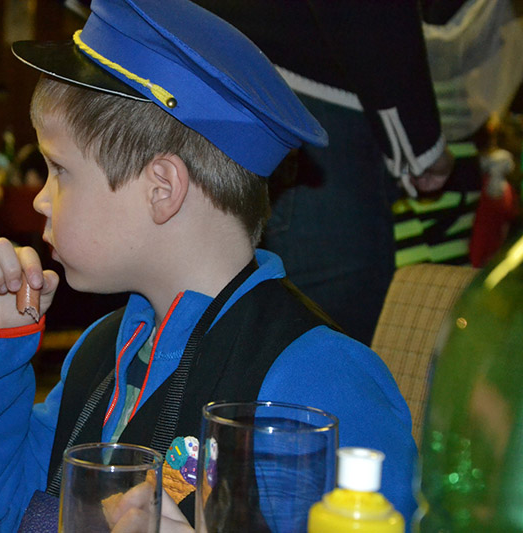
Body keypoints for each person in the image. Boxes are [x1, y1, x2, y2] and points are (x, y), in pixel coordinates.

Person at [0, 0, 417, 531]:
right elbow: (12, 516)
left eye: (60, 170)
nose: (41, 200)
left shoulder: (317, 382)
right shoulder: (104, 352)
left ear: (162, 189)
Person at [188, 0, 453, 346]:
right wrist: (420, 144)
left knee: (238, 330)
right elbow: (371, 14)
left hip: (203, 80)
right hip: (307, 107)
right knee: (328, 345)